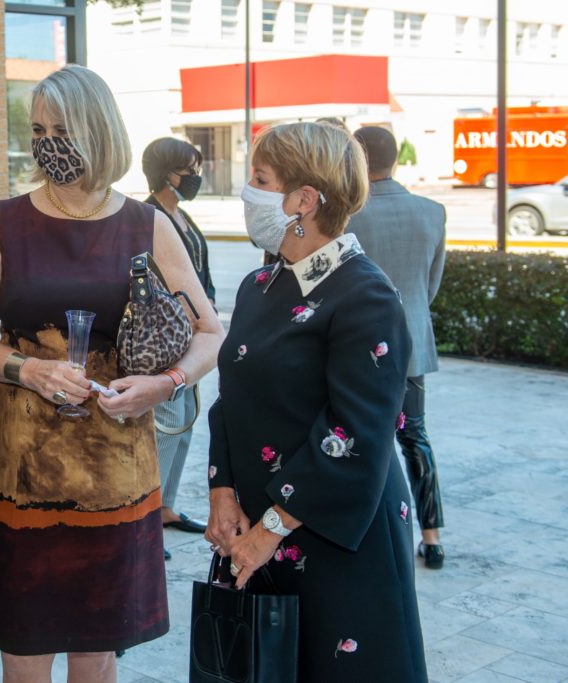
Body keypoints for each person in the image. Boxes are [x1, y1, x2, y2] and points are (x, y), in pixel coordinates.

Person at [0, 65, 223, 682]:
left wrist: (167, 384)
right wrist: (26, 369)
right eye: (37, 129)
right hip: (20, 468)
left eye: (61, 129)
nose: (47, 142)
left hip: (114, 469)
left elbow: (212, 333)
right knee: (22, 649)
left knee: (97, 650)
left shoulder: (146, 225)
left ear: (97, 131)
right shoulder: (5, 222)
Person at [205, 121, 427, 681]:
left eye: (259, 179)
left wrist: (267, 533)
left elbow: (352, 435)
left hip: (332, 538)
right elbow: (230, 399)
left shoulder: (365, 295)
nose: (246, 192)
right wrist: (222, 493)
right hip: (256, 528)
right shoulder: (260, 285)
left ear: (303, 200)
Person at [348, 125, 447, 569]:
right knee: (416, 438)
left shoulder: (346, 216)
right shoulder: (432, 210)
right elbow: (430, 287)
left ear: (359, 160)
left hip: (357, 348)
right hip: (412, 343)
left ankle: (369, 531)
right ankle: (432, 535)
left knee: (361, 439)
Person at [141, 137, 216, 559]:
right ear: (167, 172)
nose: (195, 176)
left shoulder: (179, 215)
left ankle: (165, 506)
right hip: (167, 338)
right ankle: (148, 516)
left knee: (185, 421)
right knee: (167, 424)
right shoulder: (149, 216)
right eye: (189, 168)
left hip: (195, 337)